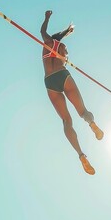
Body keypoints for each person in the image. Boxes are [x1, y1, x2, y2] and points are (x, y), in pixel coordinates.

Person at [41, 10, 103, 175]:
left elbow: (42, 32)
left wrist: (47, 18)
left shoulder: (47, 43)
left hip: (49, 82)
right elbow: (48, 36)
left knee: (66, 120)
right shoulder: (59, 45)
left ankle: (81, 155)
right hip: (62, 76)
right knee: (82, 111)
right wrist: (48, 18)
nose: (66, 51)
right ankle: (92, 124)